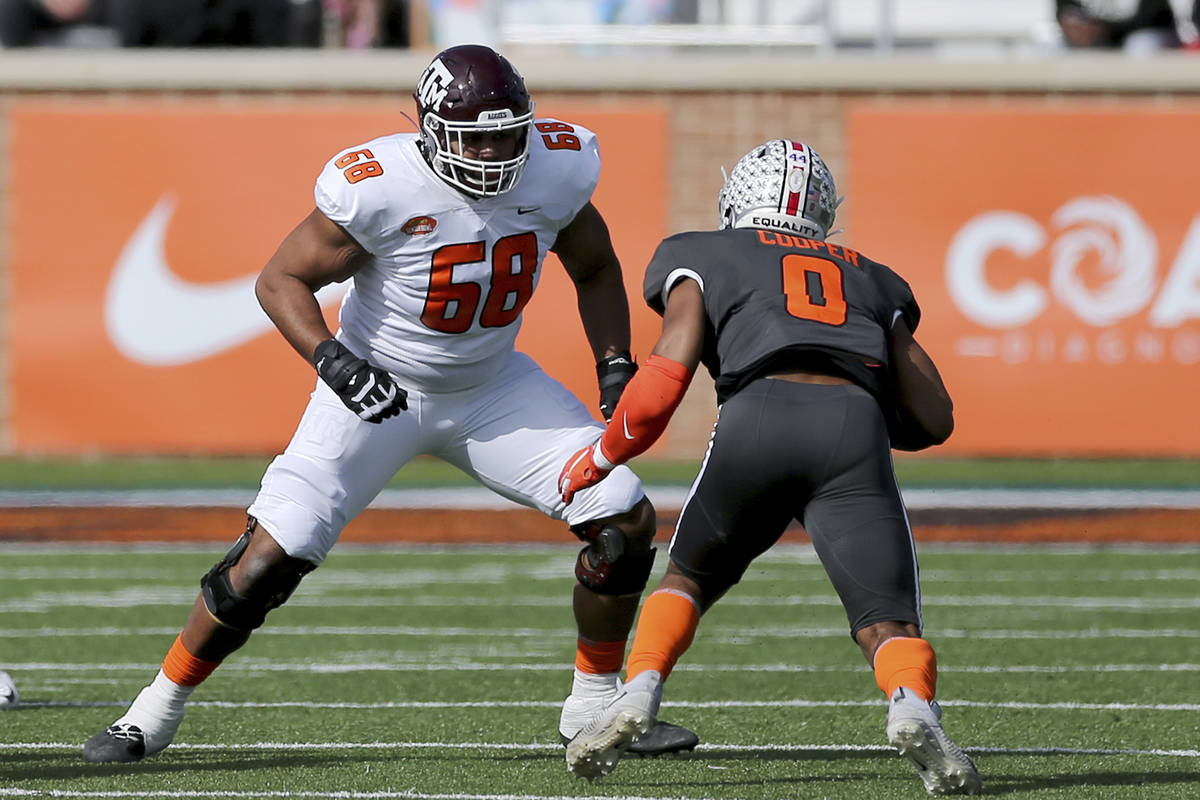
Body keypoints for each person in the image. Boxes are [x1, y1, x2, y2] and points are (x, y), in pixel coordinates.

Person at [81, 43, 696, 764]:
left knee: (623, 518)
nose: (494, 153)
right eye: (474, 139)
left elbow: (594, 266)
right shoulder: (380, 186)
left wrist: (615, 363)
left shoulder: (556, 167)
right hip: (375, 389)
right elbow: (280, 280)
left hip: (492, 389)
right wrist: (335, 361)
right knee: (268, 558)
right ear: (430, 132)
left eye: (508, 135)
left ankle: (592, 707)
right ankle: (152, 710)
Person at [557, 140, 982, 795]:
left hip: (756, 417)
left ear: (736, 199)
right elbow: (936, 416)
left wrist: (603, 454)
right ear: (823, 212)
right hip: (852, 430)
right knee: (887, 619)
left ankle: (638, 689)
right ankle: (912, 707)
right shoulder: (872, 276)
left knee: (688, 578)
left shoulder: (700, 252)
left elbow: (665, 376)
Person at [1055, 0, 1182, 52]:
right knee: (1053, 49)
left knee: (1140, 45)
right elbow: (1065, 8)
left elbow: (1151, 17)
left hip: (1148, 34)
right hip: (1094, 36)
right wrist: (1070, 24)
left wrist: (1105, 31)